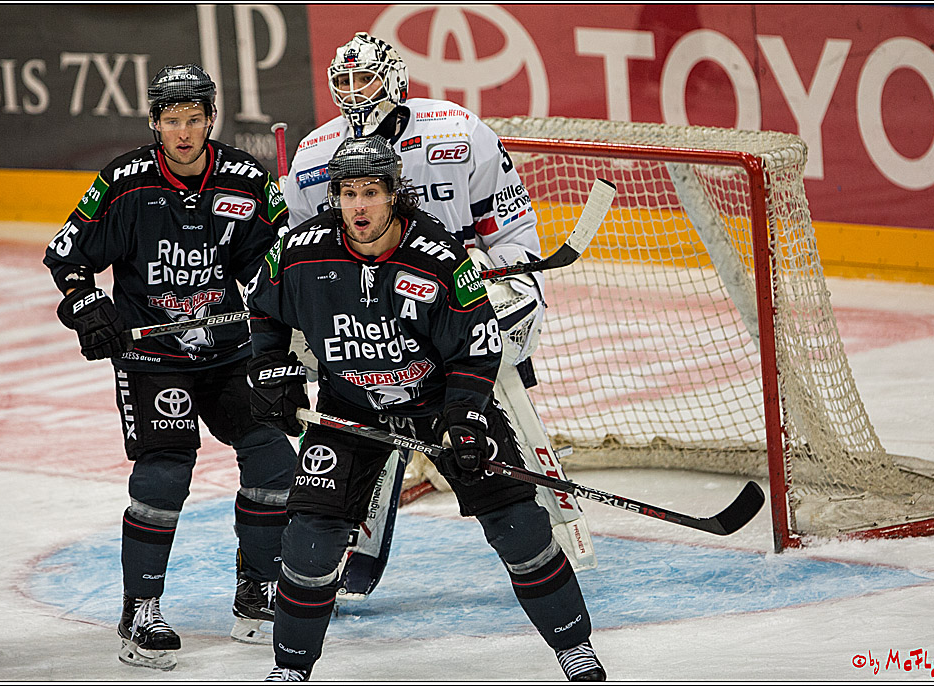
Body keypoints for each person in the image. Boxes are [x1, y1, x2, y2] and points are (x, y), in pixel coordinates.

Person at [247, 134, 605, 681]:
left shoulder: (437, 257)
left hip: (438, 403)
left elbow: (479, 343)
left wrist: (464, 417)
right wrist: (274, 371)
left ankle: (574, 648)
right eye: (347, 193)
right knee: (310, 540)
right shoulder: (299, 251)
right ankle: (289, 670)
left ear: (395, 194)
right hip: (351, 407)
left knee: (517, 523)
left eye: (370, 192)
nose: (358, 205)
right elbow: (263, 309)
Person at [282, 31, 596, 600]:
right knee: (357, 394)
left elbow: (514, 234)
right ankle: (358, 531)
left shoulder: (457, 130)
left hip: (450, 302)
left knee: (472, 372)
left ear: (396, 79)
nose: (355, 94)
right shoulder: (313, 154)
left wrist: (493, 282)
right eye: (344, 82)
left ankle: (538, 523)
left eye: (366, 79)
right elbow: (298, 256)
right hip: (366, 316)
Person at [43, 64, 297, 671]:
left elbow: (278, 263)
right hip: (152, 359)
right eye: (170, 120)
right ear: (154, 123)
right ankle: (142, 607)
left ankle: (257, 590)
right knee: (165, 472)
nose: (183, 133)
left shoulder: (245, 177)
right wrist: (86, 309)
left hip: (227, 348)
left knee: (273, 459)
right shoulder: (125, 181)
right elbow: (66, 257)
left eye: (193, 119)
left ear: (211, 118)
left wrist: (277, 338)